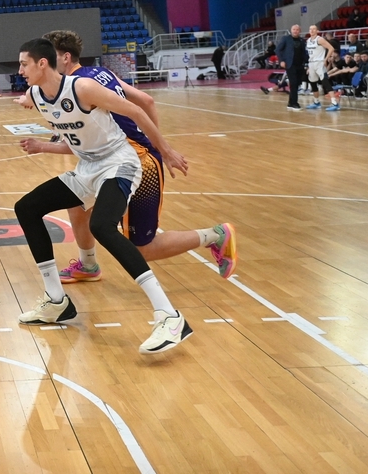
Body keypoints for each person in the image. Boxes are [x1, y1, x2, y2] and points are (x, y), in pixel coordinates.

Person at [12, 39, 203, 354]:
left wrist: (166, 151)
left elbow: (137, 110)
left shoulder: (83, 88)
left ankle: (170, 316)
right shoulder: (35, 94)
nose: (20, 70)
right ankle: (56, 301)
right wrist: (35, 127)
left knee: (101, 226)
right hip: (88, 168)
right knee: (27, 208)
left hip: (119, 163)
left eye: (23, 64)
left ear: (42, 63)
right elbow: (48, 113)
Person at [39, 30, 236, 286]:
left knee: (141, 249)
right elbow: (147, 100)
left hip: (137, 163)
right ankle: (88, 266)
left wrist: (161, 149)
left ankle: (215, 235)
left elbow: (137, 109)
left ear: (65, 58)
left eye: (49, 56)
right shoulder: (100, 73)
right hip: (114, 157)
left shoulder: (78, 87)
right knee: (77, 204)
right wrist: (156, 145)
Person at [305, 25, 340, 111]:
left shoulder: (320, 39)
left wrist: (326, 59)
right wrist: (309, 66)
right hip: (311, 63)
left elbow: (331, 48)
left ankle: (335, 103)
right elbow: (310, 54)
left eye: (314, 29)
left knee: (325, 81)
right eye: (310, 29)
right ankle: (316, 102)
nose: (312, 30)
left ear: (317, 31)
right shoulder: (308, 40)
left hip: (319, 63)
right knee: (313, 83)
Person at [275, 24, 307, 110]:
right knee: (293, 82)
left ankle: (290, 103)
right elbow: (278, 50)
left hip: (300, 65)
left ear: (299, 31)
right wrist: (281, 60)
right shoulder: (286, 39)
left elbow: (304, 53)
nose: (295, 31)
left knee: (297, 83)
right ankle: (295, 103)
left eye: (297, 29)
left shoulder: (302, 40)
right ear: (291, 30)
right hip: (290, 64)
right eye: (294, 29)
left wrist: (306, 63)